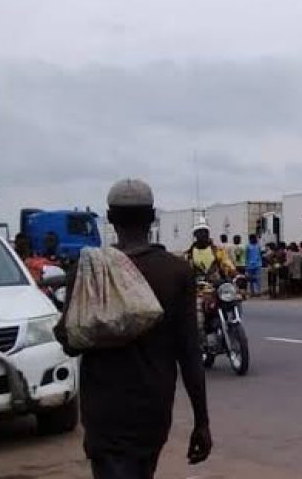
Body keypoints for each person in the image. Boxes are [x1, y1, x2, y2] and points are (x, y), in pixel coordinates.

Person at [55, 179, 211, 479]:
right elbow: (190, 354)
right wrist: (201, 422)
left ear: (110, 218)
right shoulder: (176, 271)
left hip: (103, 412)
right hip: (152, 410)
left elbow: (70, 342)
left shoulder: (88, 270)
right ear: (152, 217)